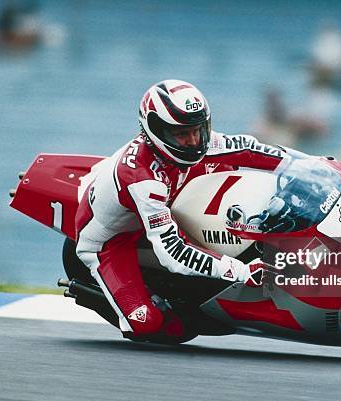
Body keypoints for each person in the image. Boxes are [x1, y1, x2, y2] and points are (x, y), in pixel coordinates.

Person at [74, 79, 287, 341]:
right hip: (112, 241)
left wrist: (314, 165)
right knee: (150, 325)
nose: (194, 140)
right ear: (157, 131)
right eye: (182, 134)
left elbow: (249, 148)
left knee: (232, 168)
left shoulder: (191, 144)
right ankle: (112, 297)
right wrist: (242, 272)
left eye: (198, 129)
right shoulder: (143, 181)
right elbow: (173, 253)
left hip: (162, 200)